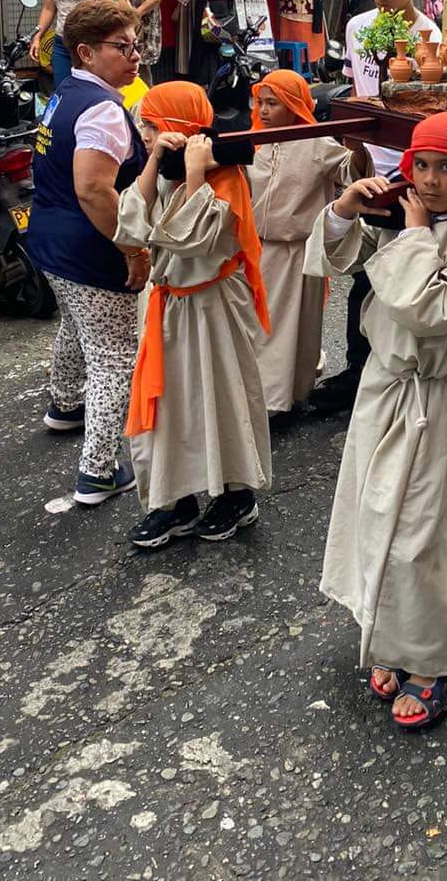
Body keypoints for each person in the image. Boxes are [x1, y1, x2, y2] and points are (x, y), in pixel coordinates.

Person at [305, 112, 447, 729]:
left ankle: (434, 659)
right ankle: (394, 639)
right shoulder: (401, 218)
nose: (429, 180)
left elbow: (430, 311)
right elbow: (339, 259)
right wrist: (345, 209)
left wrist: (416, 235)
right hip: (384, 386)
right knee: (376, 513)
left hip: (434, 397)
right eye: (421, 164)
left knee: (421, 528)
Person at [118, 82, 272, 549]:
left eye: (151, 125)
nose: (145, 133)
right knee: (171, 410)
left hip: (214, 307)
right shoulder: (164, 173)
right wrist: (153, 162)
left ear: (181, 127)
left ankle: (237, 495)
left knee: (222, 400)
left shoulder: (225, 178)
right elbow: (130, 229)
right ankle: (176, 499)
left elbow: (192, 239)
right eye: (143, 126)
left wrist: (195, 172)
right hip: (168, 307)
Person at [309, 0, 441, 416]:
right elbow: (353, 91)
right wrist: (355, 153)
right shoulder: (358, 26)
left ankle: (394, 371)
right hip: (367, 165)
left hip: (410, 172)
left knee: (397, 272)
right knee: (363, 271)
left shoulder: (431, 38)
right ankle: (356, 368)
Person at [26, 0, 150, 506]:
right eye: (122, 47)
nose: (136, 56)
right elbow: (95, 190)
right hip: (88, 246)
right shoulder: (102, 109)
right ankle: (98, 471)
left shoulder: (68, 91)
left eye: (136, 45)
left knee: (76, 326)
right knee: (114, 355)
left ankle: (64, 405)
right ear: (86, 52)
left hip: (50, 238)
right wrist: (133, 249)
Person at [249, 71, 365, 417]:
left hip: (297, 252)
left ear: (294, 105)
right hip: (256, 250)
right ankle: (256, 392)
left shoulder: (318, 144)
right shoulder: (254, 141)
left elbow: (352, 172)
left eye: (273, 103)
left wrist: (358, 143)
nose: (264, 110)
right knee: (257, 325)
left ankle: (279, 399)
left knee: (289, 328)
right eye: (260, 102)